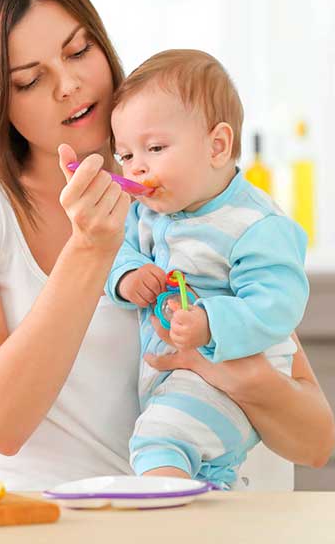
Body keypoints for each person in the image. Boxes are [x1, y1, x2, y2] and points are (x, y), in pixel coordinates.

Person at [0, 0, 335, 492]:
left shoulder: (183, 193)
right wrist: (90, 250)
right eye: (30, 80)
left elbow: (314, 440)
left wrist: (223, 365)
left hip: (205, 522)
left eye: (79, 50)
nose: (69, 85)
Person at [106, 49, 309, 489]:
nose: (136, 167)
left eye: (155, 148)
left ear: (217, 146)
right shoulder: (147, 215)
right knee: (191, 459)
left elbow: (279, 305)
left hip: (231, 376)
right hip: (173, 379)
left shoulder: (254, 223)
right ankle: (211, 493)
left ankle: (172, 525)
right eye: (124, 156)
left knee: (156, 445)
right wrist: (127, 276)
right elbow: (115, 250)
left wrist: (210, 323)